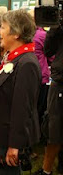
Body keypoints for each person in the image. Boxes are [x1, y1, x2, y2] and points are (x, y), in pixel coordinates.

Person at [0, 9, 41, 175]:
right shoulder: (12, 58)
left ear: (16, 34)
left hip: (8, 138)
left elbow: (23, 108)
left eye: (3, 28)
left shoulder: (26, 63)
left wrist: (15, 145)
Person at [33, 25, 63, 175]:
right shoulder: (57, 28)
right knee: (53, 126)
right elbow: (49, 51)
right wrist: (55, 29)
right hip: (59, 83)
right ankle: (47, 170)